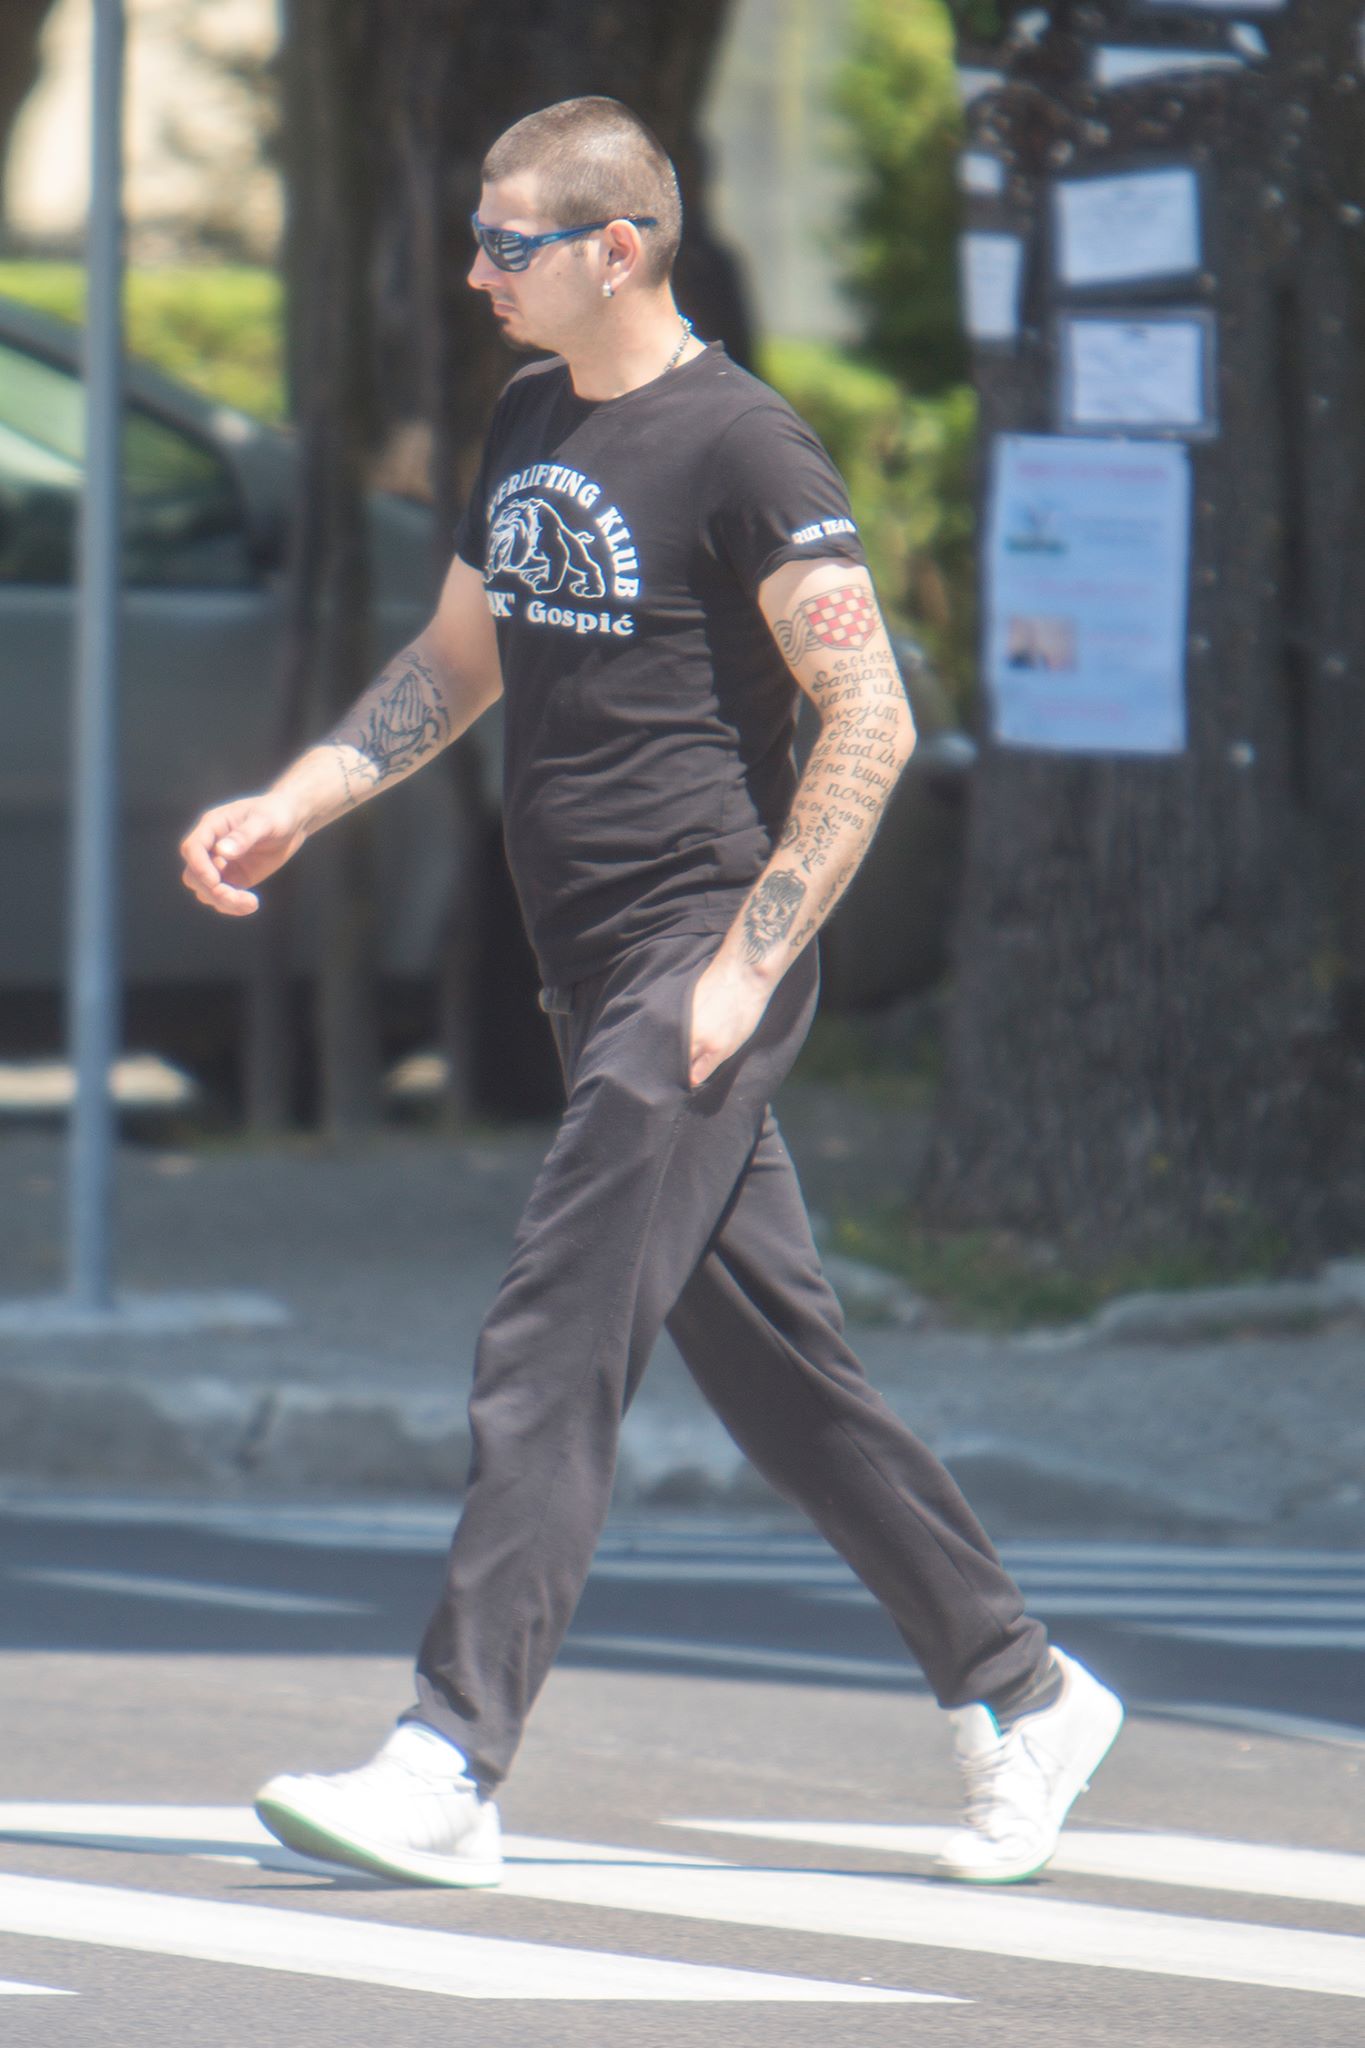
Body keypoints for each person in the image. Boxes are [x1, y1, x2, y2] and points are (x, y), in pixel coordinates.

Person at [179, 96, 1122, 1892]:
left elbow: (868, 717)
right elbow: (457, 658)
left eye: (507, 243)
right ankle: (1026, 1688)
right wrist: (300, 799)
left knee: (549, 1342)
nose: (476, 273)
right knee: (782, 1382)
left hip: (698, 954)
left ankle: (449, 1758)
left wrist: (747, 962)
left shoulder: (745, 444)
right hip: (586, 961)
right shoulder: (531, 414)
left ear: (616, 248)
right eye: (476, 238)